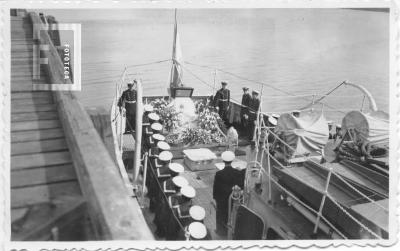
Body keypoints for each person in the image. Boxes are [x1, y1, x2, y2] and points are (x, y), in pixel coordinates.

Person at [213, 151, 244, 236]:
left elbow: (216, 188)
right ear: (232, 160)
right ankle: (232, 231)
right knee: (232, 215)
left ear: (223, 161)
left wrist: (215, 198)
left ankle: (220, 232)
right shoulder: (238, 173)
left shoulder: (219, 174)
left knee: (220, 215)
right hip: (234, 199)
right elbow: (241, 184)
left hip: (222, 200)